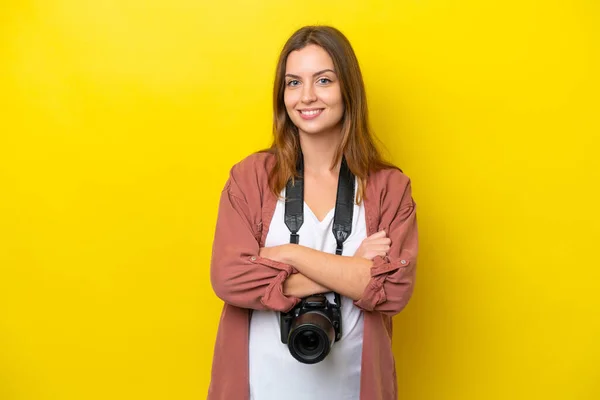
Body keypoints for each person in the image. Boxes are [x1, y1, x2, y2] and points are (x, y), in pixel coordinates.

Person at [208, 25, 418, 400]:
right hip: (258, 388)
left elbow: (394, 290)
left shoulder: (389, 187)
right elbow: (228, 279)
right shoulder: (251, 177)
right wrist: (351, 270)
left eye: (323, 80)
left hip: (354, 388)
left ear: (347, 90)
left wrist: (289, 254)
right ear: (281, 94)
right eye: (293, 83)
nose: (306, 96)